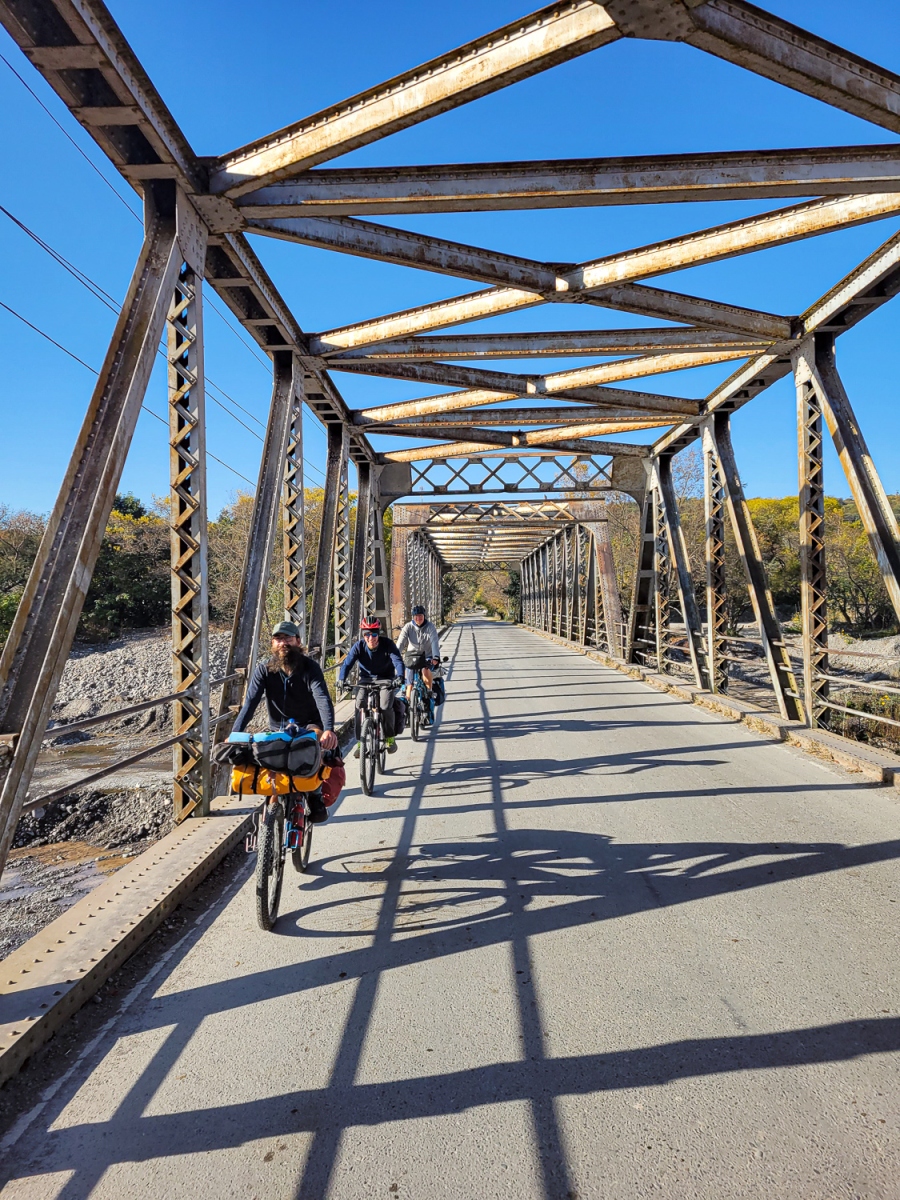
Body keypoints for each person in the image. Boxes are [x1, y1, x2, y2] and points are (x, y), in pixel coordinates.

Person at [232, 621, 338, 823]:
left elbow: (322, 699)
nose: (283, 643)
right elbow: (250, 704)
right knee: (268, 762)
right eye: (278, 639)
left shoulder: (310, 668)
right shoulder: (264, 669)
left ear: (298, 641)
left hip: (309, 724)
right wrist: (235, 734)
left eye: (288, 638)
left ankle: (315, 796)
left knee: (314, 743)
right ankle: (270, 824)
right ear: (272, 643)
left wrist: (329, 730)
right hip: (278, 728)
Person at [338, 616, 404, 756]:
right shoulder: (359, 646)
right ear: (363, 635)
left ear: (379, 634)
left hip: (385, 679)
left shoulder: (387, 644)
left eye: (374, 634)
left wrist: (400, 677)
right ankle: (360, 742)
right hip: (366, 680)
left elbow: (398, 661)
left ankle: (389, 737)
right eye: (367, 634)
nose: (371, 638)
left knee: (385, 706)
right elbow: (347, 663)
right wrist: (341, 679)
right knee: (359, 705)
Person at [397, 605, 441, 710]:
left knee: (425, 670)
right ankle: (408, 703)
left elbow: (434, 641)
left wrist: (436, 657)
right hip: (412, 656)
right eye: (416, 616)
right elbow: (401, 642)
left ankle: (429, 691)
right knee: (409, 678)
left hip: (427, 655)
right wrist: (395, 655)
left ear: (424, 616)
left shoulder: (430, 627)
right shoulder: (408, 627)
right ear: (413, 617)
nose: (418, 618)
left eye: (420, 616)